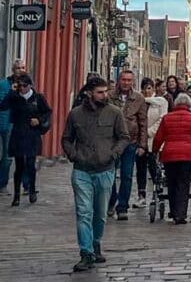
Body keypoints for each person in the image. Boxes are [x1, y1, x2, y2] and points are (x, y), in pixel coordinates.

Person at [62, 76, 129, 272]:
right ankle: (86, 252)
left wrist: (114, 154)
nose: (104, 95)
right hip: (82, 170)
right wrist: (74, 155)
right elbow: (66, 139)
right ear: (90, 93)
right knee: (83, 212)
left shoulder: (114, 113)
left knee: (100, 214)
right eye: (100, 92)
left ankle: (96, 242)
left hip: (105, 170)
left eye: (106, 91)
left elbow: (124, 137)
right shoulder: (75, 114)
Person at [151, 95, 191, 225]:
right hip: (186, 154)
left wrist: (155, 150)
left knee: (171, 182)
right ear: (189, 104)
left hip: (169, 154)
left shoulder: (167, 118)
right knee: (183, 183)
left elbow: (159, 138)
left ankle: (174, 211)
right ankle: (180, 214)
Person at [0, 73, 51, 206]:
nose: (22, 88)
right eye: (20, 86)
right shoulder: (14, 97)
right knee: (19, 165)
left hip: (32, 135)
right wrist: (11, 92)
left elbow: (47, 112)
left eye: (24, 85)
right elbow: (3, 106)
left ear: (30, 85)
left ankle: (32, 190)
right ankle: (16, 195)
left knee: (30, 164)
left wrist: (38, 120)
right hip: (18, 134)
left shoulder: (37, 98)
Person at [107, 69, 147, 220]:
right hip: (112, 141)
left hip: (131, 141)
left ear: (133, 82)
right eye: (124, 80)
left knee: (127, 175)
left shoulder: (138, 98)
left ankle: (122, 206)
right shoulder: (110, 96)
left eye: (129, 80)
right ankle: (111, 200)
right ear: (119, 80)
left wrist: (142, 145)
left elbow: (143, 122)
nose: (126, 83)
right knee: (110, 174)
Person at [135, 78, 167, 207]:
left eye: (148, 88)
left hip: (154, 139)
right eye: (143, 89)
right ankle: (141, 195)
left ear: (153, 89)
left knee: (154, 168)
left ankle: (158, 192)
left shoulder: (161, 102)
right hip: (140, 141)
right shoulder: (138, 102)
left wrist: (149, 132)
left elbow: (162, 119)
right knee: (140, 168)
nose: (146, 91)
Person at [0, 58, 26, 196]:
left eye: (23, 67)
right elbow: (2, 104)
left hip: (22, 125)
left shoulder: (27, 84)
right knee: (7, 156)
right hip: (7, 124)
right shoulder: (4, 84)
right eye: (18, 68)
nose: (21, 70)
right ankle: (2, 185)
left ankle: (27, 186)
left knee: (26, 154)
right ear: (13, 70)